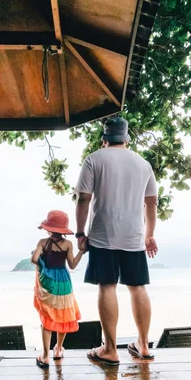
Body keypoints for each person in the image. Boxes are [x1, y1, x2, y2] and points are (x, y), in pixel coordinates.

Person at [74, 116, 158, 365]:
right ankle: (143, 345)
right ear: (126, 138)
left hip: (103, 235)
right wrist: (150, 234)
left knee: (107, 286)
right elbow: (151, 202)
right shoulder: (143, 164)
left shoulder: (94, 159)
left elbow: (82, 199)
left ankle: (110, 349)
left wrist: (80, 233)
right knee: (137, 286)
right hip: (133, 235)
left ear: (104, 138)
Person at [31, 210, 84, 369]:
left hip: (47, 282)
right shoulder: (68, 244)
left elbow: (34, 260)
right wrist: (82, 251)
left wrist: (40, 260)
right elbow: (72, 265)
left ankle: (46, 356)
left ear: (48, 228)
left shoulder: (42, 242)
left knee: (47, 318)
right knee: (63, 314)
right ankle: (59, 349)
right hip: (64, 282)